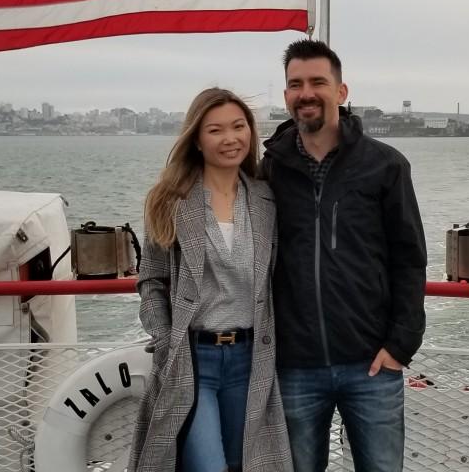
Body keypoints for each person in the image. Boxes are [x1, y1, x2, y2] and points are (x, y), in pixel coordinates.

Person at [261, 39, 427, 472]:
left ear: (341, 91)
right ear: (286, 97)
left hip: (371, 364)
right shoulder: (268, 171)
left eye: (318, 81)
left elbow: (409, 258)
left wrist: (400, 344)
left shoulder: (385, 165)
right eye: (295, 84)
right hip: (294, 366)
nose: (306, 92)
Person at [128, 88, 293, 472]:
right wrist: (165, 336)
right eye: (216, 130)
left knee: (243, 464)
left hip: (251, 357)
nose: (230, 138)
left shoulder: (266, 200)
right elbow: (151, 280)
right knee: (208, 465)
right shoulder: (169, 200)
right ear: (197, 140)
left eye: (239, 127)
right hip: (192, 357)